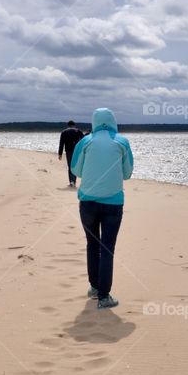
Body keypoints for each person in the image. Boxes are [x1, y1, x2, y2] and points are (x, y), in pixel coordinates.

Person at [69, 108, 133, 309]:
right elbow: (127, 173)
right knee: (107, 249)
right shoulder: (122, 142)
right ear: (113, 121)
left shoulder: (85, 141)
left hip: (88, 202)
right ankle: (104, 297)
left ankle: (95, 287)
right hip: (113, 203)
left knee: (92, 244)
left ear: (94, 122)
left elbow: (75, 169)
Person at [57, 120, 84, 187]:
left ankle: (72, 182)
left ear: (68, 125)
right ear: (74, 125)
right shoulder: (78, 131)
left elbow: (61, 143)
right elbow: (84, 140)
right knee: (75, 165)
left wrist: (60, 154)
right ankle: (74, 181)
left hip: (68, 151)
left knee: (70, 166)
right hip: (77, 151)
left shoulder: (64, 132)